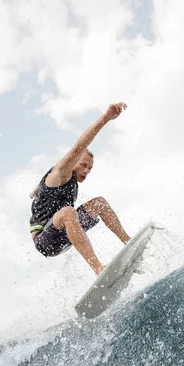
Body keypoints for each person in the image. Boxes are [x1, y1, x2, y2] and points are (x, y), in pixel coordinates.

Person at [29, 102, 131, 275]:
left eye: (90, 168)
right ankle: (98, 268)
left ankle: (128, 241)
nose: (86, 171)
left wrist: (36, 190)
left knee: (99, 203)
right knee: (68, 212)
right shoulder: (60, 173)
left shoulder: (67, 180)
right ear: (72, 161)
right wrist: (106, 118)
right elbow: (79, 146)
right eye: (83, 165)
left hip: (66, 232)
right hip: (46, 241)